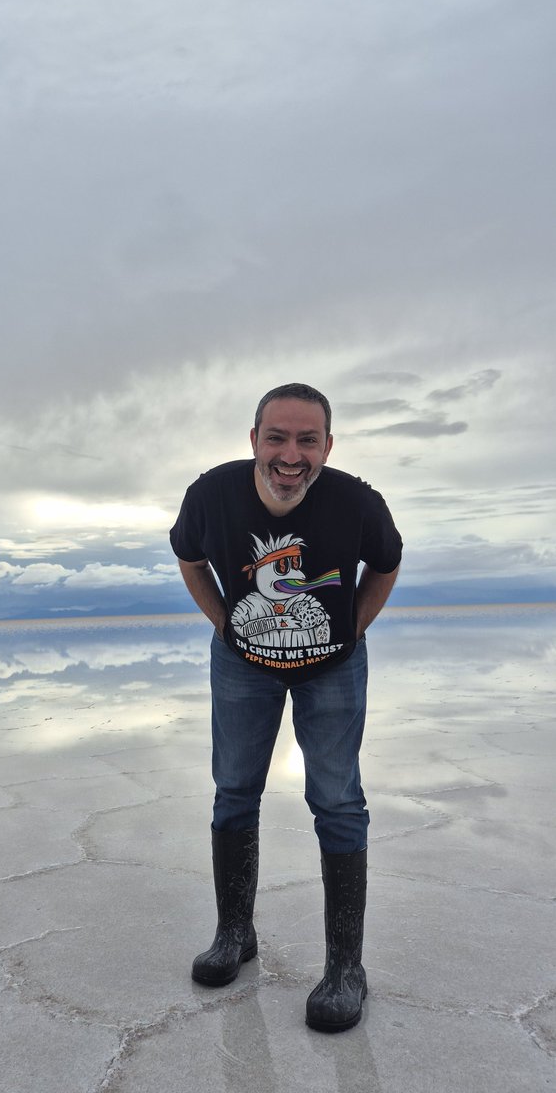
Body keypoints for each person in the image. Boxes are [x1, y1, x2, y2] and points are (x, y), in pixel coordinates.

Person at [169, 382, 401, 1032]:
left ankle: (345, 968)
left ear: (327, 445)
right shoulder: (211, 494)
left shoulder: (357, 502)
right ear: (254, 440)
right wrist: (224, 624)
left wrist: (354, 627)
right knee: (234, 790)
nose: (291, 455)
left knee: (338, 800)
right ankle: (234, 934)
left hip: (333, 668)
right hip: (243, 665)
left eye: (307, 440)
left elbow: (386, 564)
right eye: (277, 437)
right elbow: (189, 558)